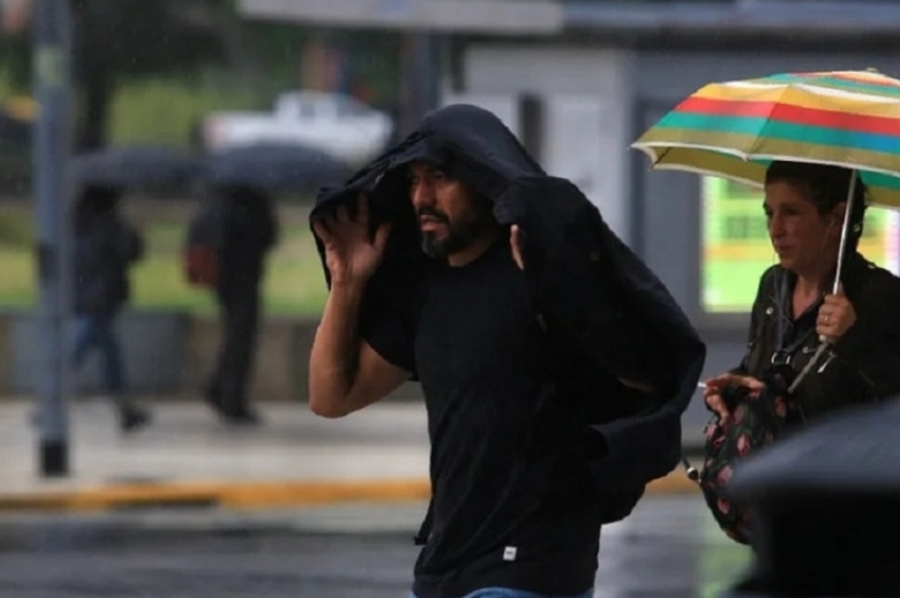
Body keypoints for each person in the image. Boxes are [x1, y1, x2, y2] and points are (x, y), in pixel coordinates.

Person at [309, 104, 705, 598]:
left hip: (531, 567)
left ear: (482, 179)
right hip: (444, 566)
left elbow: (645, 373)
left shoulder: (540, 269)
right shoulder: (427, 292)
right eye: (413, 181)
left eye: (439, 178)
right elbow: (331, 397)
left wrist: (562, 290)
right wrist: (347, 282)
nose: (422, 197)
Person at [701, 160, 900, 540]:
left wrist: (853, 340)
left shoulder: (882, 297)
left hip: (846, 506)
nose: (775, 230)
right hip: (776, 498)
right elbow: (763, 369)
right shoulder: (773, 287)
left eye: (791, 212)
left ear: (836, 219)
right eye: (769, 213)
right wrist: (735, 387)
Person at [71, 184, 149, 432]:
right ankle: (48, 400)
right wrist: (135, 233)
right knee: (80, 348)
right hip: (104, 296)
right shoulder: (111, 225)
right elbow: (131, 252)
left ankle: (125, 409)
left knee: (110, 354)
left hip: (82, 293)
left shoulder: (75, 223)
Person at [205, 185, 278, 425]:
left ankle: (220, 387)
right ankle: (229, 396)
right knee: (241, 339)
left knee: (235, 336)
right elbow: (269, 237)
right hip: (246, 279)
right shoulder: (255, 206)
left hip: (226, 279)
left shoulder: (219, 202)